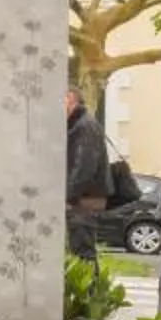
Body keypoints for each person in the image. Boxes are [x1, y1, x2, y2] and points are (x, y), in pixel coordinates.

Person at [64, 85, 111, 259]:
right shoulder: (82, 124)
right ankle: (89, 284)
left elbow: (83, 167)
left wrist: (67, 196)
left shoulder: (83, 126)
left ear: (69, 99)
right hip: (85, 198)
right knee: (82, 249)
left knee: (83, 252)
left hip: (84, 199)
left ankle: (89, 286)